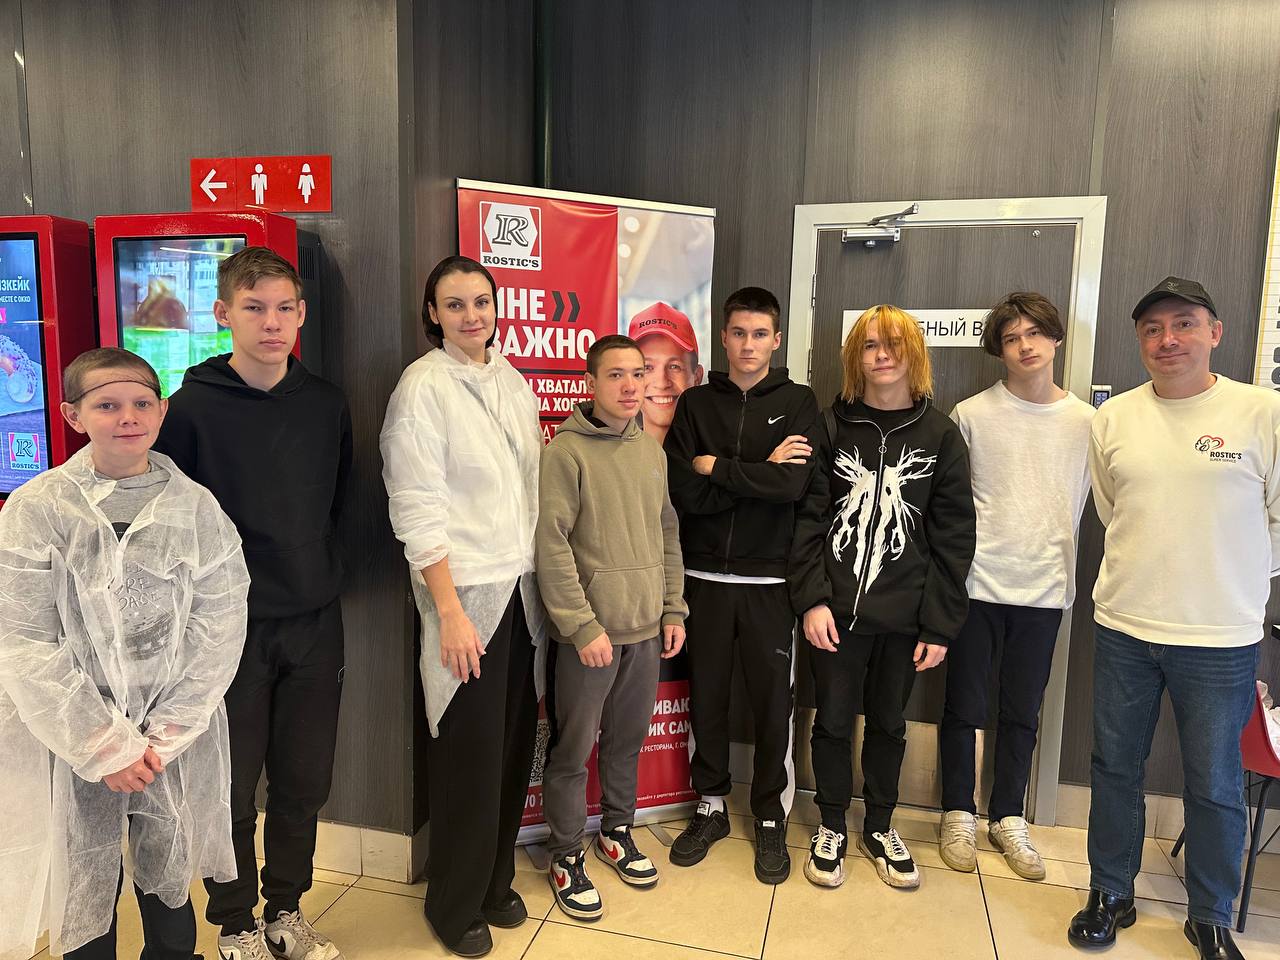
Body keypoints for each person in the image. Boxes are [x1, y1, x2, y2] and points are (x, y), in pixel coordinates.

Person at [0, 347, 249, 960]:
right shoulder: (38, 509)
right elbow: (25, 638)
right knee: (85, 877)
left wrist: (164, 735)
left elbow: (220, 624)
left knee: (169, 880)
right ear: (73, 415)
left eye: (141, 403)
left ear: (162, 411)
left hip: (169, 738)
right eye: (107, 405)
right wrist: (102, 744)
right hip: (74, 731)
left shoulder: (196, 509)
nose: (127, 417)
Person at [1068, 278, 1280, 960]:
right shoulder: (1114, 418)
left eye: (1184, 324)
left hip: (1219, 636)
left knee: (1215, 781)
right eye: (1153, 329)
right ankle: (1110, 892)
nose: (1168, 340)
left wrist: (1229, 579)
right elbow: (1114, 511)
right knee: (1115, 768)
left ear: (1215, 332)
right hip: (1126, 625)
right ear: (1140, 340)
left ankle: (1210, 916)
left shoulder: (1262, 412)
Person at [153, 247, 351, 960]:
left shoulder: (325, 402)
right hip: (225, 628)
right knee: (230, 788)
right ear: (223, 313)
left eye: (284, 308)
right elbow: (171, 523)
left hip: (314, 620)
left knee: (304, 781)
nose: (272, 322)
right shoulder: (189, 409)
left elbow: (341, 498)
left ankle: (286, 911)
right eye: (254, 307)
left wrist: (321, 576)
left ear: (301, 314)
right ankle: (235, 922)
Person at [381, 255, 545, 959]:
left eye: (481, 301)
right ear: (433, 314)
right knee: (467, 758)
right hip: (467, 597)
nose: (471, 315)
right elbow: (416, 508)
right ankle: (453, 903)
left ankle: (492, 882)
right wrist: (449, 611)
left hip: (522, 593)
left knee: (510, 749)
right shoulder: (422, 388)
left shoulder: (510, 379)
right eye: (454, 304)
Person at [790, 305, 974, 890]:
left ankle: (879, 826)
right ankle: (831, 825)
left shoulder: (940, 435)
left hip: (905, 617)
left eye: (893, 343)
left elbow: (954, 537)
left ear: (913, 353)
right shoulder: (830, 426)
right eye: (869, 345)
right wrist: (812, 599)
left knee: (890, 724)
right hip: (834, 614)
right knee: (832, 721)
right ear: (856, 358)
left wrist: (939, 625)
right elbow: (807, 519)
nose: (882, 355)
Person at [663, 286, 818, 884]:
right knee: (707, 698)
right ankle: (710, 805)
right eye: (737, 333)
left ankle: (770, 814)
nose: (748, 345)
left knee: (772, 704)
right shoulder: (696, 404)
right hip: (702, 579)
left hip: (770, 582)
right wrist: (759, 472)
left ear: (775, 340)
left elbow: (792, 487)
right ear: (722, 338)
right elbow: (685, 491)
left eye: (759, 334)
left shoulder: (799, 402)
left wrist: (720, 469)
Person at [938, 293, 1094, 880]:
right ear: (998, 349)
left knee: (1023, 711)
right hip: (976, 584)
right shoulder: (972, 414)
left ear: (1056, 339)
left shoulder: (1088, 423)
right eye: (1011, 337)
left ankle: (1008, 816)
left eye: (1034, 333)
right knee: (964, 707)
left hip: (1046, 588)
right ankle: (958, 812)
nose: (1025, 346)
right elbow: (950, 506)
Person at [536, 334, 688, 922]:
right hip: (590, 637)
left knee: (626, 742)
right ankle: (565, 853)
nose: (630, 386)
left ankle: (617, 831)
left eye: (638, 374)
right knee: (573, 750)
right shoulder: (565, 453)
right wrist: (581, 625)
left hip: (644, 630)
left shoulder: (651, 451)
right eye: (616, 375)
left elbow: (666, 532)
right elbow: (552, 544)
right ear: (590, 383)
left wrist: (671, 608)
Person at [627, 302, 704, 446]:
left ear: (697, 377)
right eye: (647, 367)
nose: (662, 383)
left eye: (674, 367)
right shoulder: (611, 454)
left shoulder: (717, 452)